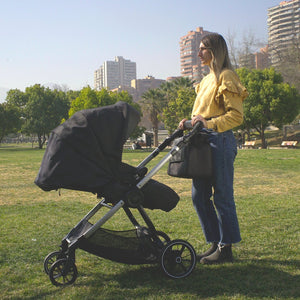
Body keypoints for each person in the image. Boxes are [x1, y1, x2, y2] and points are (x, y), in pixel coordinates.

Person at [179, 33, 248, 264]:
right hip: (201, 141)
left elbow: (236, 116)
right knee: (199, 196)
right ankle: (214, 242)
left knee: (222, 197)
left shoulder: (226, 76)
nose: (198, 53)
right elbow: (202, 113)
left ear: (215, 51)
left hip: (220, 141)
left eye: (203, 49)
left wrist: (207, 123)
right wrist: (189, 122)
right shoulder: (207, 79)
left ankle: (225, 247)